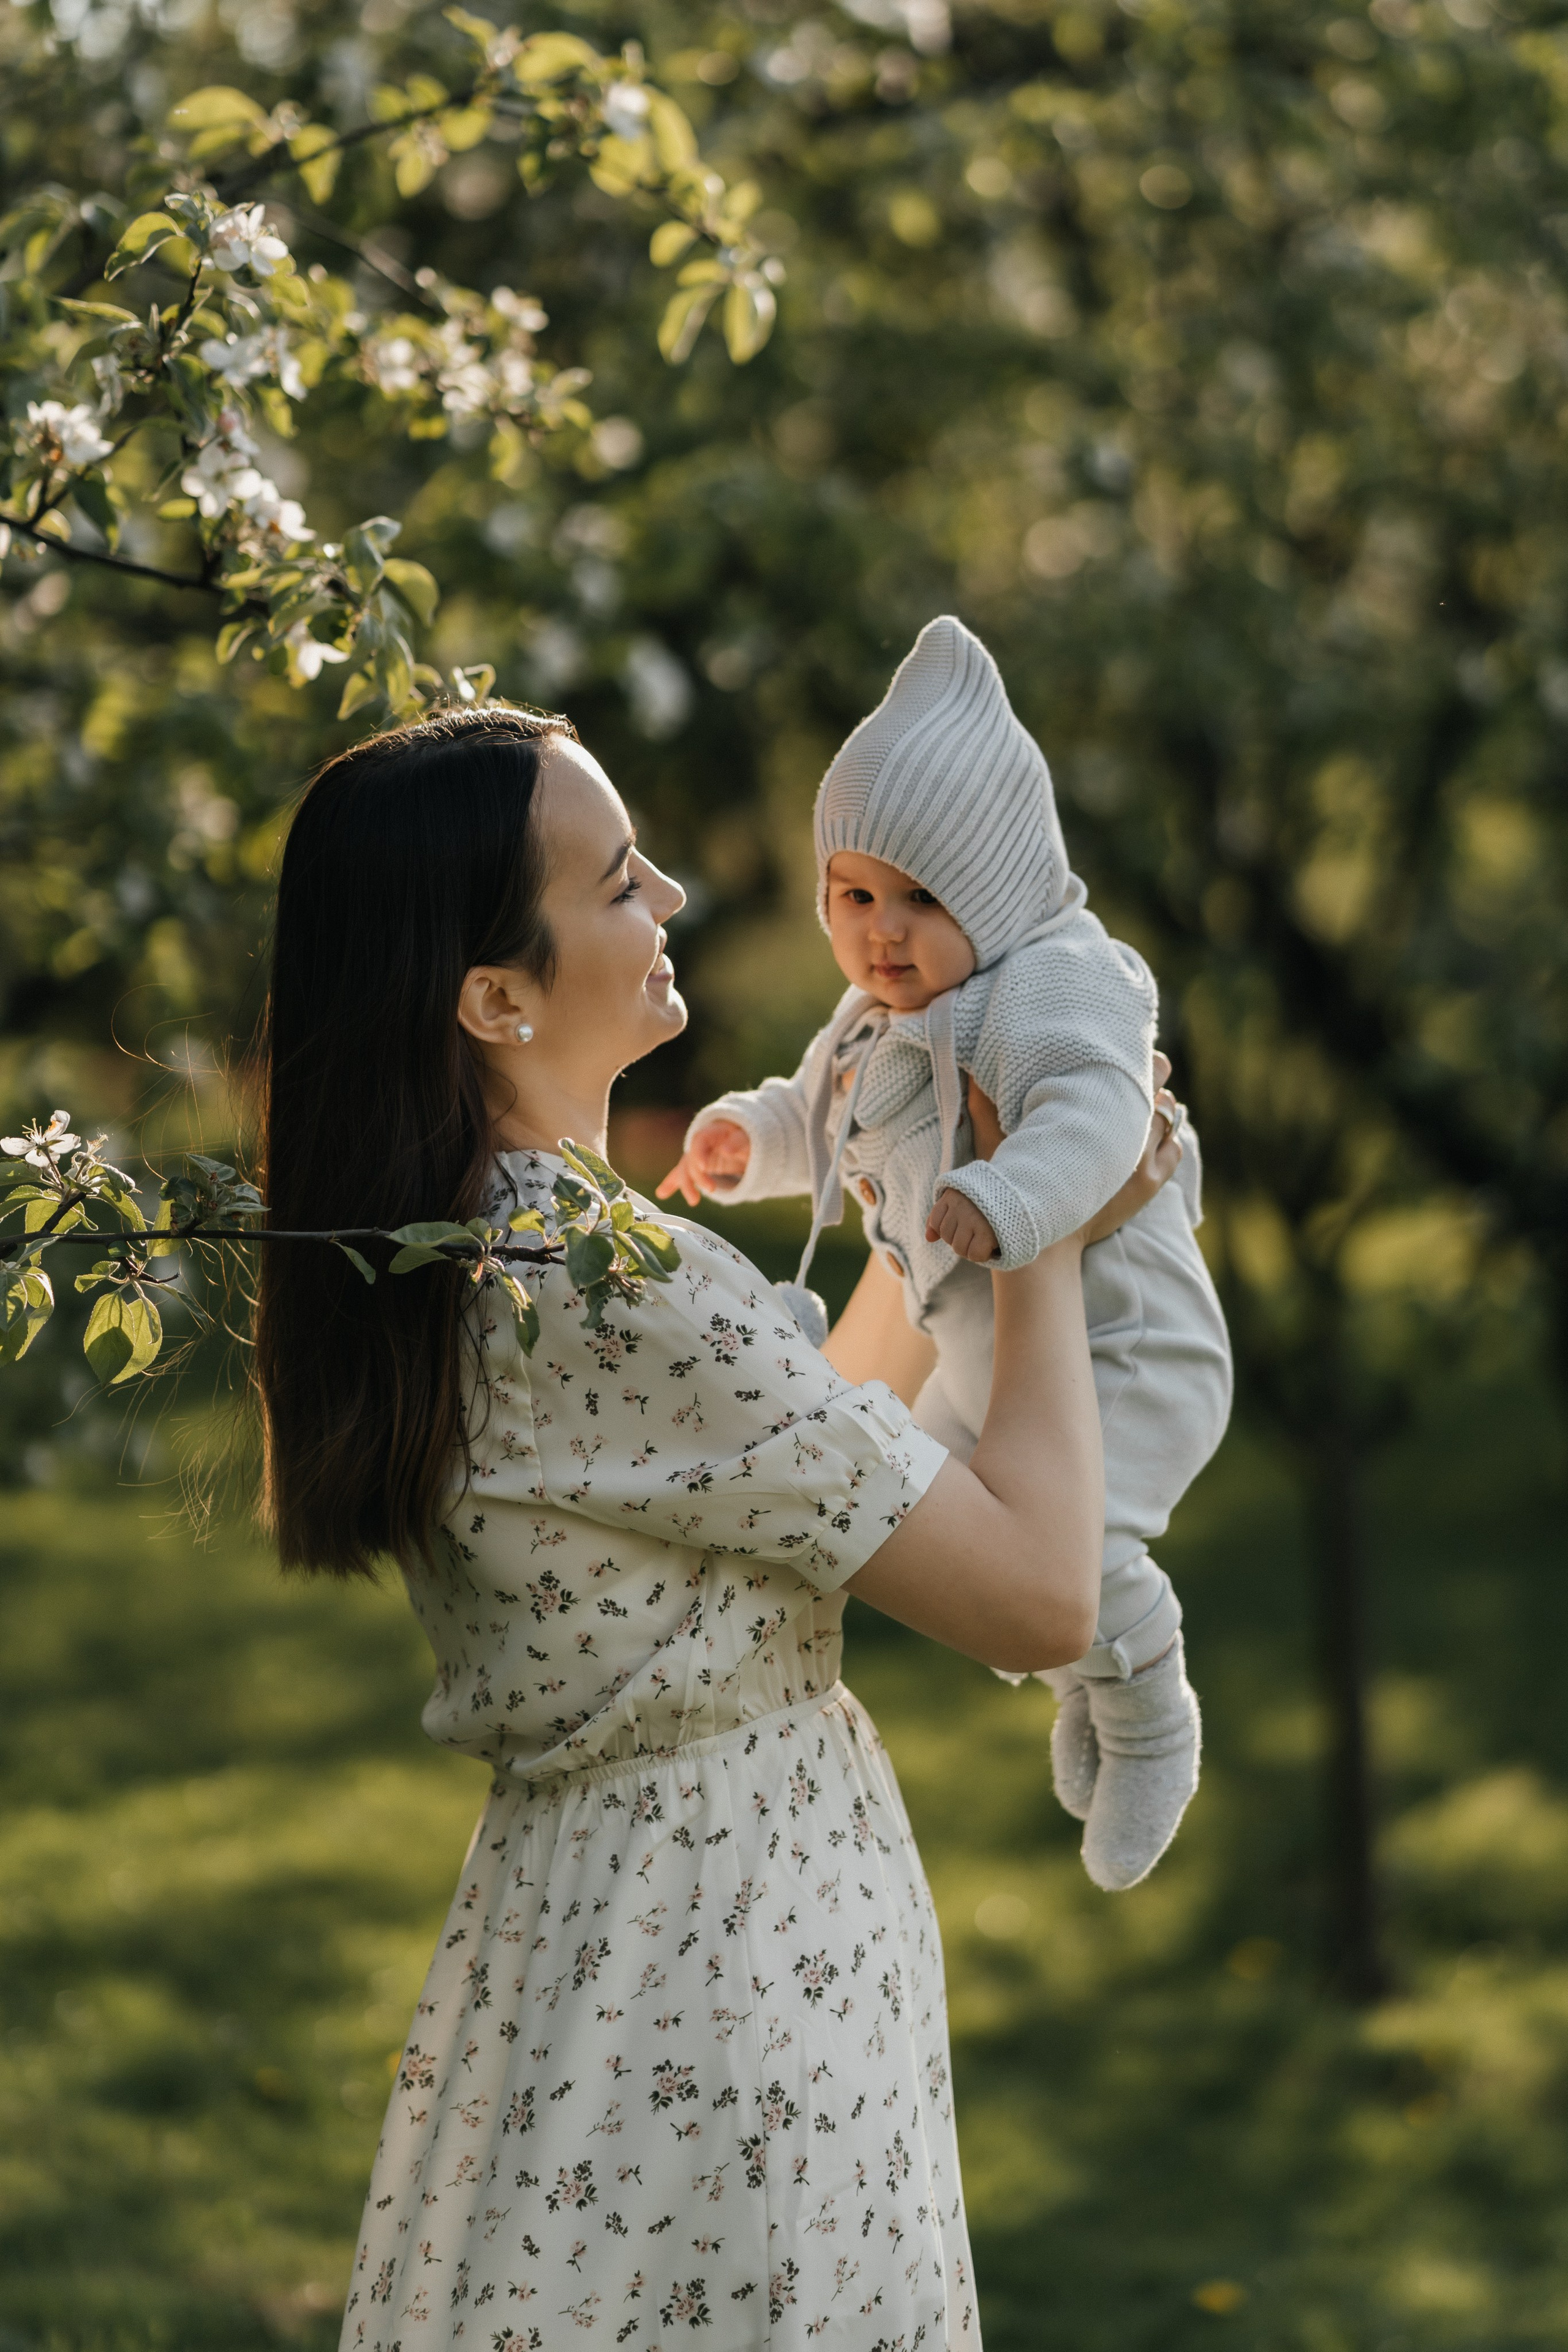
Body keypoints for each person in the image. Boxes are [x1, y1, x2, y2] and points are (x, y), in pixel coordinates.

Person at [254, 703, 1179, 2350]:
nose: (673, 894)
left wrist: (946, 1186)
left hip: (599, 1932)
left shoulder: (487, 1257)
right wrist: (1046, 1225)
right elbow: (1040, 1594)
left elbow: (796, 1444)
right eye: (619, 881)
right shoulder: (610, 1294)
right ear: (496, 995)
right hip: (729, 1964)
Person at [660, 617, 1233, 1893]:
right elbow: (819, 1111)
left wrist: (1009, 1190)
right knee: (978, 1537)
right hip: (996, 1354)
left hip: (1121, 1344)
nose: (883, 932)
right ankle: (1094, 1679)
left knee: (1069, 1555)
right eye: (854, 897)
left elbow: (1102, 1116)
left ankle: (1151, 1719)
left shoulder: (1053, 988)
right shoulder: (878, 1014)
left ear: (998, 889)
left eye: (923, 899)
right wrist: (746, 1141)